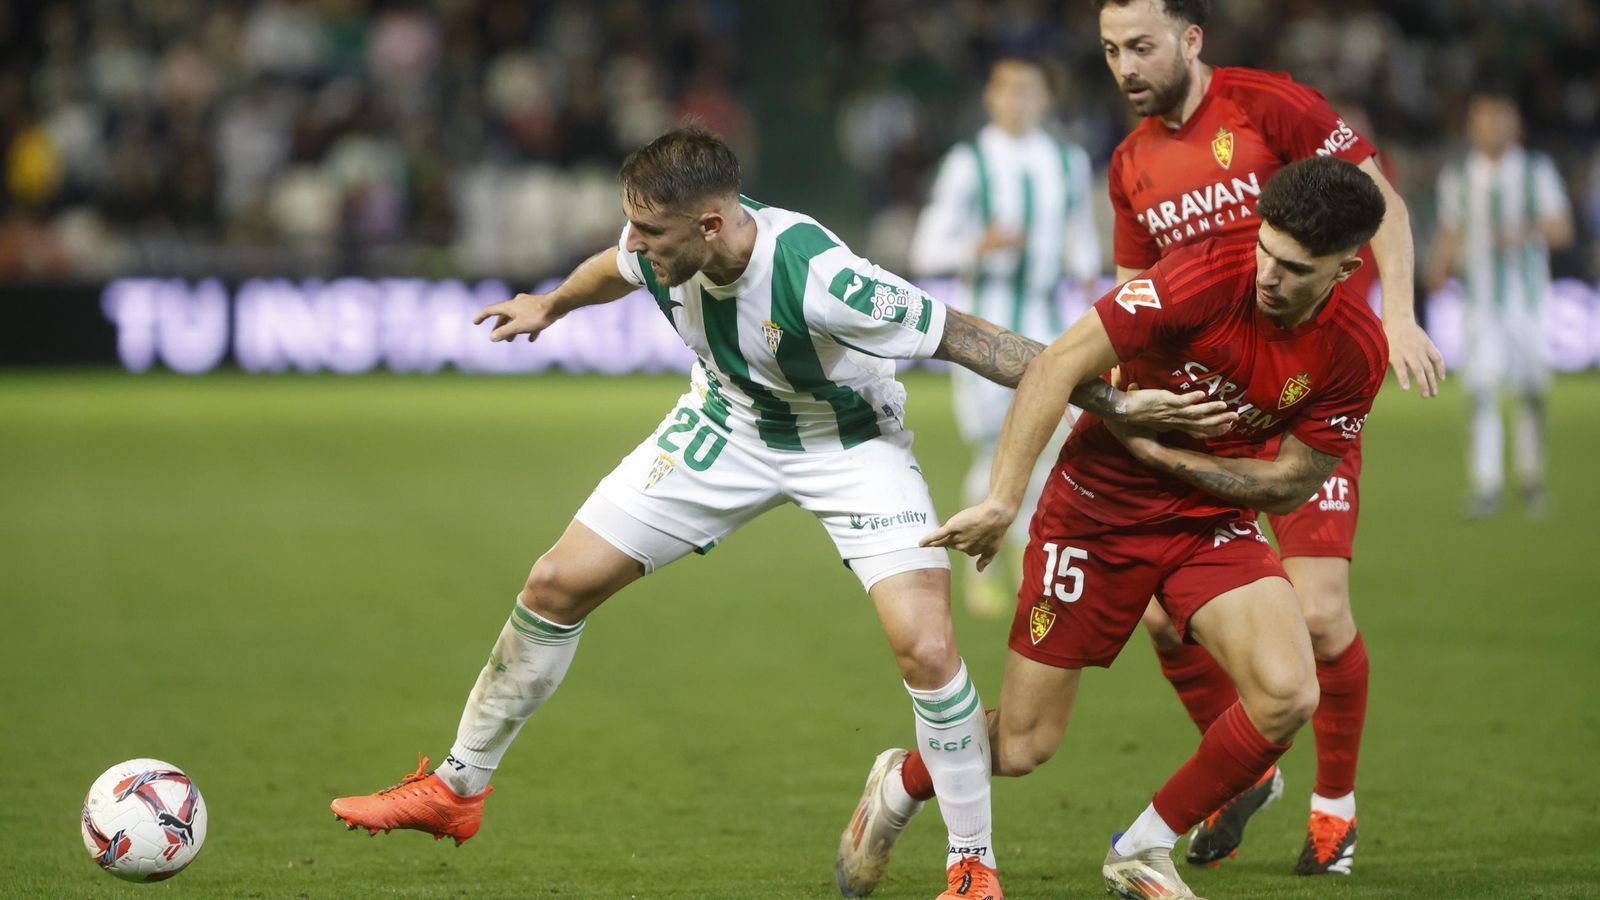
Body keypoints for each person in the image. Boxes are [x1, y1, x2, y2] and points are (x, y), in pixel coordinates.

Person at [328, 126, 1226, 900]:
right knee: (555, 582)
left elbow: (973, 340)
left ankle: (971, 864)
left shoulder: (822, 276)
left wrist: (1113, 401)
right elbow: (613, 265)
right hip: (724, 428)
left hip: (851, 446)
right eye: (634, 225)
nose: (637, 244)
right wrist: (551, 304)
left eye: (652, 232)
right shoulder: (658, 241)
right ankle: (457, 789)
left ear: (711, 225)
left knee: (925, 647)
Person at [836, 156, 1390, 900]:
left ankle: (1143, 849)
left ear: (1345, 269)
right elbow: (1054, 367)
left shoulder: (1356, 348)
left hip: (1208, 519)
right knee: (1025, 745)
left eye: (1294, 269)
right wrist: (1003, 500)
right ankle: (902, 780)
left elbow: (1293, 481)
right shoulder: (1201, 276)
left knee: (1289, 692)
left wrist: (1169, 458)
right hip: (1095, 509)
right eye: (1266, 250)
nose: (1268, 275)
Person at [1092, 0, 1447, 873]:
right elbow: (1134, 294)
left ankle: (1334, 811)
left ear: (1191, 39)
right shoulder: (1129, 165)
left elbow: (1380, 200)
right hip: (1209, 406)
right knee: (1160, 619)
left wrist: (1400, 313)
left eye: (1142, 46)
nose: (1126, 66)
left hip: (1307, 396)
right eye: (1110, 50)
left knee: (1319, 616)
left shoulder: (1269, 104)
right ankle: (1244, 767)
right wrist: (1127, 401)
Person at [907, 55, 1101, 618]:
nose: (1018, 101)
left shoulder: (1067, 161)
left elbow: (1083, 241)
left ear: (1046, 98)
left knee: (1051, 447)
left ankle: (1026, 557)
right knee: (994, 446)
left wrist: (1089, 282)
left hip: (1050, 329)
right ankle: (982, 570)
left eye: (1029, 90)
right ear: (991, 98)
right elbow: (925, 251)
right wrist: (979, 247)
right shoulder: (968, 163)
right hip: (984, 332)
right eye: (1008, 90)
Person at [1427, 88, 1575, 519]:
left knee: (1531, 391)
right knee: (1482, 391)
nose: (1492, 126)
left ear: (1516, 124)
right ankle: (1486, 485)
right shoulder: (1458, 175)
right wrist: (1437, 271)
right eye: (1484, 118)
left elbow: (1562, 229)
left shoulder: (1535, 171)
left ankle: (1530, 482)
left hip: (1528, 305)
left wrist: (1522, 232)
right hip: (1480, 307)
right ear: (1471, 127)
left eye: (1499, 117)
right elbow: (1451, 231)